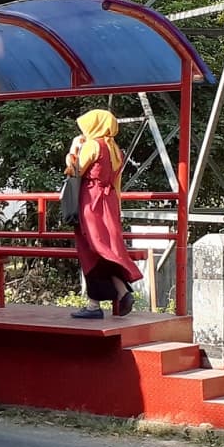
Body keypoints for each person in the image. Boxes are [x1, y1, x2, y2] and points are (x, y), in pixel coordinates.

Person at [64, 109, 143, 319]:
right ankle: (120, 292)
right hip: (108, 201)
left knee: (93, 250)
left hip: (91, 200)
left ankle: (95, 305)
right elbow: (116, 182)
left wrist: (72, 151)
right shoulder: (114, 148)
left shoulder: (93, 145)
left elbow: (74, 170)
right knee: (103, 248)